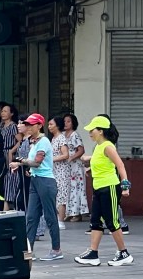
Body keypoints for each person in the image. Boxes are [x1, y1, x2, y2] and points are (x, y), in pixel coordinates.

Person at [74, 115, 133, 266]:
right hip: (98, 187)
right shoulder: (99, 147)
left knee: (112, 221)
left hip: (109, 187)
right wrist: (90, 168)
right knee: (95, 221)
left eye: (92, 130)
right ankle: (93, 253)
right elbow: (102, 163)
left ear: (100, 131)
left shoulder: (108, 146)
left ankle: (124, 253)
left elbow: (120, 165)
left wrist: (125, 186)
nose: (90, 133)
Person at [11, 113, 62, 261]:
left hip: (46, 182)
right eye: (27, 124)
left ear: (39, 126)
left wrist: (20, 161)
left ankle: (56, 250)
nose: (28, 127)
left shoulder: (43, 141)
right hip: (35, 180)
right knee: (31, 217)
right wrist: (24, 166)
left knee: (50, 216)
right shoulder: (34, 141)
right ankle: (28, 251)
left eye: (31, 124)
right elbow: (34, 164)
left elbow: (37, 162)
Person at [61, 113, 89, 221]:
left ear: (73, 123)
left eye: (68, 121)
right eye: (64, 121)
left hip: (75, 166)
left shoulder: (75, 135)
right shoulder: (62, 135)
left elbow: (81, 150)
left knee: (76, 188)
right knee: (67, 188)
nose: (66, 123)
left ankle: (77, 214)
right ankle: (69, 212)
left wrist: (72, 157)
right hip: (66, 167)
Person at [0, 103, 22, 211]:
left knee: (10, 177)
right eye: (2, 111)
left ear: (11, 114)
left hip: (9, 153)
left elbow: (20, 140)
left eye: (5, 111)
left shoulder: (13, 126)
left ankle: (8, 206)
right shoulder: (1, 125)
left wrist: (12, 151)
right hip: (1, 153)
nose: (2, 113)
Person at [48, 117, 71, 227]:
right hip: (54, 170)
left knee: (61, 194)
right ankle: (56, 218)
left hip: (61, 171)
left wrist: (51, 159)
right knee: (55, 194)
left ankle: (61, 221)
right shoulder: (53, 138)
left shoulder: (61, 138)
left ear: (57, 126)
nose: (49, 126)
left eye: (51, 124)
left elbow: (65, 155)